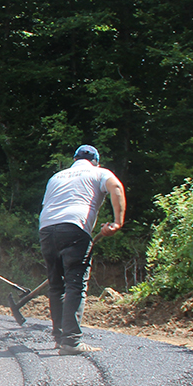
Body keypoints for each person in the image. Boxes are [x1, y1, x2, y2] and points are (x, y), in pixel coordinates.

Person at [37, 144, 126, 355]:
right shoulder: (99, 172)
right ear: (95, 160)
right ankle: (71, 341)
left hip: (47, 229)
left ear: (74, 159)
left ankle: (60, 338)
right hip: (74, 227)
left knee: (56, 286)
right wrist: (117, 222)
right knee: (75, 284)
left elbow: (47, 205)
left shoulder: (57, 177)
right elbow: (116, 188)